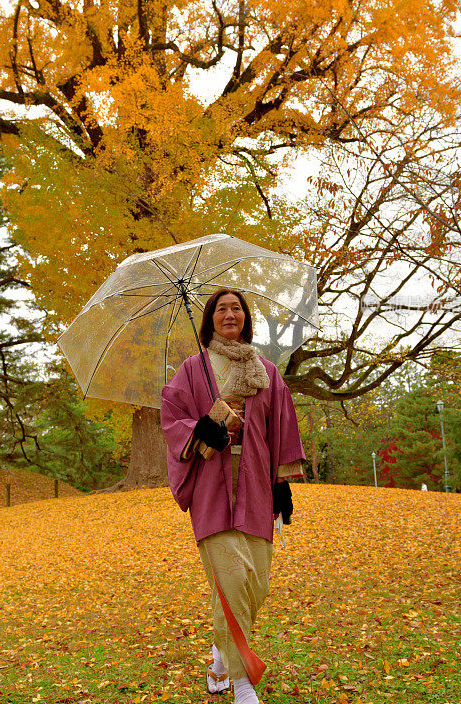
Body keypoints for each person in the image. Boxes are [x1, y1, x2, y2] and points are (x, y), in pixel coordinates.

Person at [160, 288, 305, 703]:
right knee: (232, 580)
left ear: (245, 318)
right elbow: (171, 415)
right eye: (221, 309)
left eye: (236, 308)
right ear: (209, 319)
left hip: (257, 484)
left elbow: (281, 426)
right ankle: (241, 684)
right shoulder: (193, 369)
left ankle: (220, 661)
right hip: (211, 487)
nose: (229, 314)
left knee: (255, 585)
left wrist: (282, 486)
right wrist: (200, 428)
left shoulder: (268, 372)